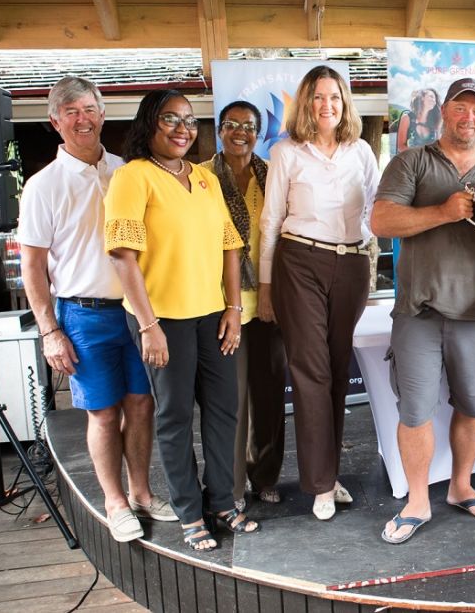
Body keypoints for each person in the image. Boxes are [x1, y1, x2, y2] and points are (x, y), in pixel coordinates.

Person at [371, 77, 475, 544]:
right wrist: (443, 211)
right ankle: (417, 501)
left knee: (473, 405)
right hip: (418, 313)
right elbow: (381, 221)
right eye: (461, 108)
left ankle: (461, 487)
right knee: (416, 412)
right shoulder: (410, 163)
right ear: (445, 112)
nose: (470, 118)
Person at [18, 76, 176, 543]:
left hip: (135, 312)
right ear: (54, 122)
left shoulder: (128, 171)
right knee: (103, 413)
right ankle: (115, 502)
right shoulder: (42, 187)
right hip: (83, 315)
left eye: (88, 109)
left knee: (142, 404)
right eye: (70, 112)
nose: (81, 119)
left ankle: (143, 493)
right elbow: (33, 266)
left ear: (103, 114)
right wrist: (50, 331)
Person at [105, 89, 258, 552]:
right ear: (149, 124)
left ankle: (222, 503)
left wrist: (233, 310)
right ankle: (189, 512)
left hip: (211, 314)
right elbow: (123, 256)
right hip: (162, 319)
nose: (181, 129)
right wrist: (148, 326)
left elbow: (231, 248)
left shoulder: (205, 178)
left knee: (224, 408)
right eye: (170, 119)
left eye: (189, 121)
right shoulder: (133, 177)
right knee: (173, 416)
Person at [258, 65, 378, 522]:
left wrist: (367, 262)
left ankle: (328, 473)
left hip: (350, 264)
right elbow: (270, 221)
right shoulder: (286, 152)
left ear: (345, 103)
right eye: (318, 97)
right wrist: (267, 286)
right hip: (299, 262)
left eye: (335, 97)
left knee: (336, 367)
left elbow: (374, 210)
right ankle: (320, 485)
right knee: (310, 372)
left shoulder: (361, 151)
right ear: (305, 103)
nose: (327, 105)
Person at [205, 100, 289, 510]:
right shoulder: (200, 177)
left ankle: (266, 475)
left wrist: (275, 295)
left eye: (250, 126)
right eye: (232, 124)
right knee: (230, 402)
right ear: (219, 130)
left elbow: (282, 239)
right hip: (222, 307)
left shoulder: (271, 176)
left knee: (270, 397)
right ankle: (232, 486)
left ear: (260, 132)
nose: (241, 132)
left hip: (269, 304)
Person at [395, 87, 442, 154]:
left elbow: (439, 146)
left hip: (430, 162)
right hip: (411, 161)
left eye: (435, 99)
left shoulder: (436, 120)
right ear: (422, 98)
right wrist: (419, 156)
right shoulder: (407, 118)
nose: (434, 101)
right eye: (431, 97)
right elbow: (401, 146)